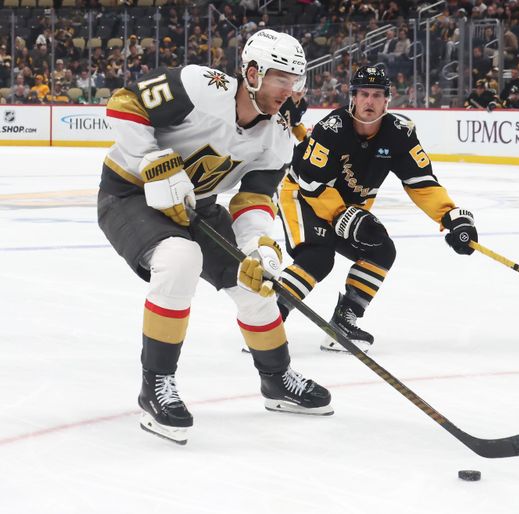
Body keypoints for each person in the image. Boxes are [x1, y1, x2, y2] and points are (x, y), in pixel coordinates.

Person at [97, 29, 332, 445]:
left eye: (296, 81)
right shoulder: (201, 86)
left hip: (197, 207)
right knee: (179, 260)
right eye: (282, 78)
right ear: (254, 73)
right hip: (130, 194)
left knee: (255, 282)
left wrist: (258, 246)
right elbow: (124, 103)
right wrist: (154, 161)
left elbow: (253, 199)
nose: (291, 90)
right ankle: (157, 386)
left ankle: (276, 379)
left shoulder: (277, 136)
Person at [276, 64, 478, 353]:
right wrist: (343, 214)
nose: (369, 101)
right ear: (353, 97)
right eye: (364, 94)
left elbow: (421, 182)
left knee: (381, 249)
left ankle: (343, 322)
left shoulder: (399, 134)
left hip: (347, 209)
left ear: (387, 99)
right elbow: (310, 182)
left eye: (377, 95)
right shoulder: (331, 129)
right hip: (303, 197)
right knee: (317, 257)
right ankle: (267, 320)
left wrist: (450, 216)